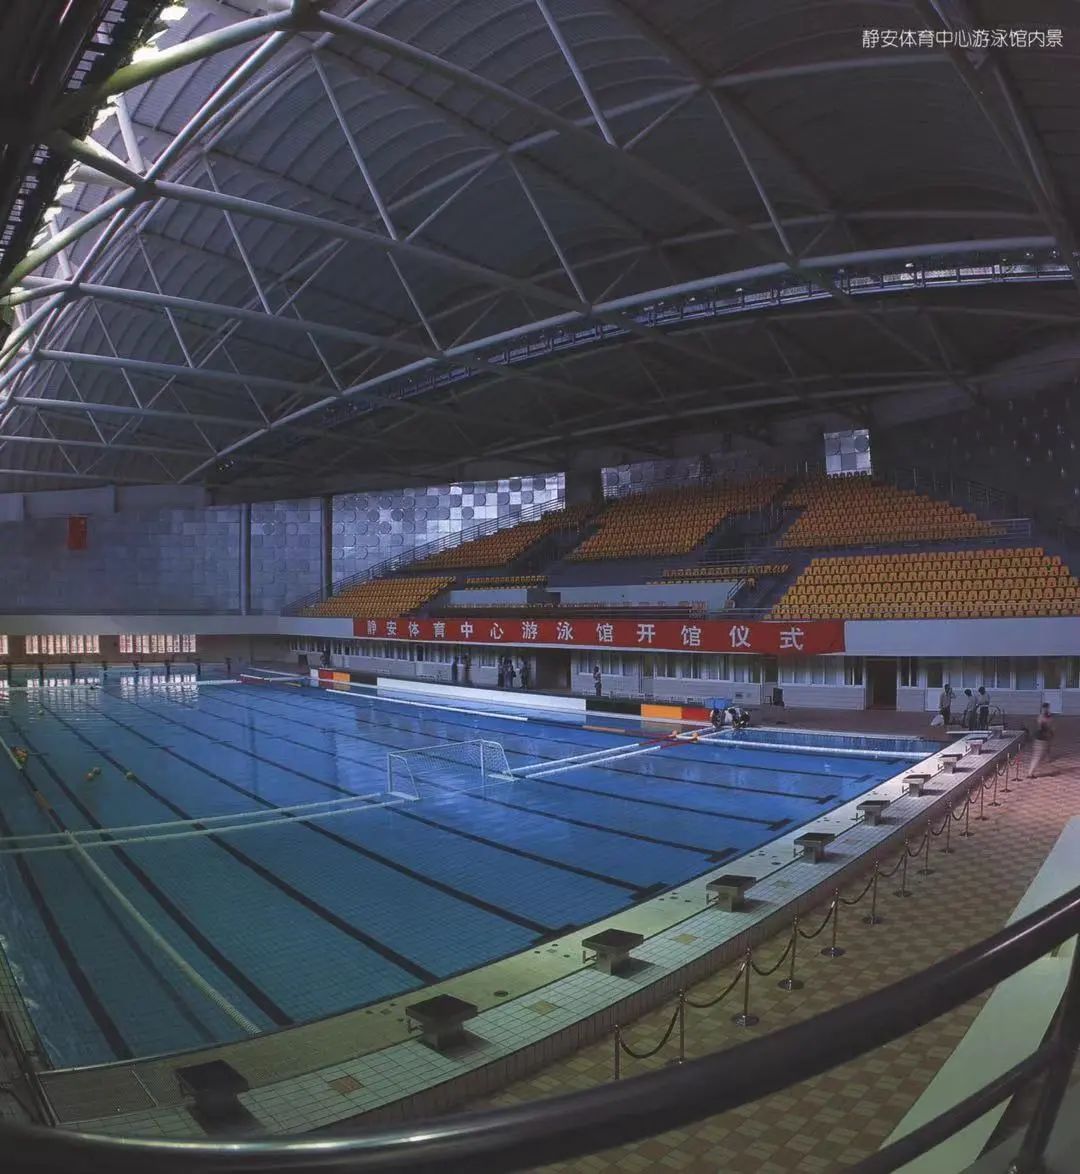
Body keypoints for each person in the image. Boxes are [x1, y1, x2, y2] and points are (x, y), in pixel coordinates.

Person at [1028, 703, 1054, 778]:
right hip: (1041, 739)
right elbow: (1044, 726)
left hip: (1043, 738)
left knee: (1044, 750)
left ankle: (1047, 758)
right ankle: (1030, 773)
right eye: (1045, 708)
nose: (1046, 709)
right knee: (1037, 756)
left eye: (1047, 708)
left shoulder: (1046, 716)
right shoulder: (1042, 717)